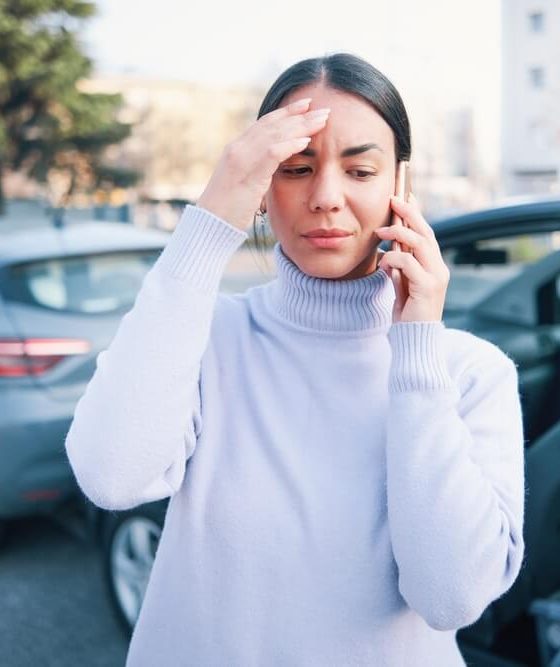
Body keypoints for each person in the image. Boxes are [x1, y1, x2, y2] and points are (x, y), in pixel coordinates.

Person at [65, 53, 525, 666]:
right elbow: (110, 475)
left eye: (361, 170)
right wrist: (207, 224)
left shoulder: (469, 371)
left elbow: (451, 596)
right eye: (296, 167)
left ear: (401, 186)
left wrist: (417, 354)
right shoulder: (204, 337)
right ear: (259, 187)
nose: (326, 197)